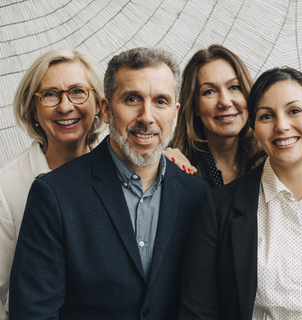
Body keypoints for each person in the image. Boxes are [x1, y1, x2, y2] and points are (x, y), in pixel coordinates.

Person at [9, 47, 209, 319]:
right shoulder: (53, 195)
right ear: (105, 109)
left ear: (175, 111)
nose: (147, 117)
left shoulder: (198, 195)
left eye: (160, 101)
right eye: (132, 99)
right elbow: (34, 313)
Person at [180, 67, 302, 319]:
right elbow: (198, 312)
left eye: (294, 111)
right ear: (253, 126)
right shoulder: (218, 208)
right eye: (266, 116)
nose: (282, 126)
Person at [0, 48, 105, 320]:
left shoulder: (118, 172)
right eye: (50, 94)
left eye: (78, 91)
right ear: (33, 109)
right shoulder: (6, 185)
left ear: (98, 104)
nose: (65, 106)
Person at [168, 44, 264, 187]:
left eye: (234, 87)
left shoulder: (269, 160)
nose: (225, 102)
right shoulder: (175, 166)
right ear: (195, 106)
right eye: (209, 91)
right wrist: (156, 166)